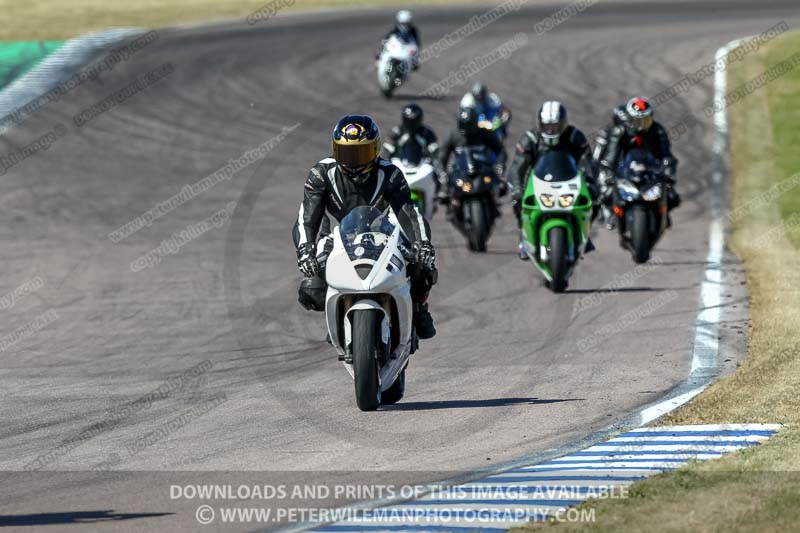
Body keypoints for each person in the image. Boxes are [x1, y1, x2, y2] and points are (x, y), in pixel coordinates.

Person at [292, 115, 438, 339]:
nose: (353, 161)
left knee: (422, 267)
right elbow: (306, 217)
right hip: (338, 235)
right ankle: (339, 315)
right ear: (335, 149)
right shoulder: (320, 174)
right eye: (346, 153)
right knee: (311, 286)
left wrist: (422, 244)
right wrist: (305, 250)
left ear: (375, 149)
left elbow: (409, 213)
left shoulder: (390, 173)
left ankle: (419, 310)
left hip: (383, 231)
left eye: (360, 153)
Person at [507, 101, 597, 259]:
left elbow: (587, 161)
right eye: (546, 126)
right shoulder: (530, 138)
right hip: (536, 183)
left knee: (594, 198)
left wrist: (591, 182)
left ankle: (584, 233)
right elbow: (517, 167)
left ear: (563, 124)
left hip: (569, 182)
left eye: (555, 126)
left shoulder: (575, 136)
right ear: (539, 124)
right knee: (517, 201)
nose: (551, 130)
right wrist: (517, 188)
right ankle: (523, 235)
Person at [599, 96, 680, 223]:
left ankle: (664, 214)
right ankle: (611, 213)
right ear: (629, 119)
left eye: (645, 121)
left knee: (673, 196)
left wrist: (668, 169)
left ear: (651, 118)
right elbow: (611, 155)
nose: (641, 126)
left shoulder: (658, 130)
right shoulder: (619, 131)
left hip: (650, 169)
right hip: (624, 169)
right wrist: (608, 171)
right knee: (604, 194)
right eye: (637, 121)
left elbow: (665, 154)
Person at [438, 106, 508, 201]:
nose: (467, 130)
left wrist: (500, 166)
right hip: (461, 173)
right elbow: (442, 156)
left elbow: (500, 150)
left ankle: (492, 201)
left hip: (483, 170)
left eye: (469, 126)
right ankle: (453, 202)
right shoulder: (453, 135)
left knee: (501, 186)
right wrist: (442, 173)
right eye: (463, 126)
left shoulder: (485, 133)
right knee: (446, 193)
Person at [593, 103, 628, 229]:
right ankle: (602, 211)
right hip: (608, 168)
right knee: (603, 191)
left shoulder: (634, 135)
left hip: (627, 167)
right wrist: (600, 167)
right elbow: (597, 154)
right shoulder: (607, 132)